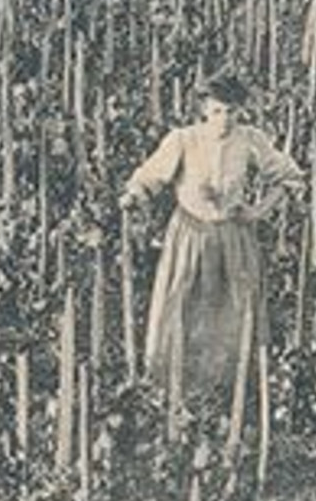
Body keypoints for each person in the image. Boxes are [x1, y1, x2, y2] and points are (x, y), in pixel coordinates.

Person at [121, 76, 304, 397]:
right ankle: (175, 385)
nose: (225, 119)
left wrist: (258, 211)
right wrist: (135, 195)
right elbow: (150, 176)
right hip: (190, 235)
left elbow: (288, 176)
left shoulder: (250, 140)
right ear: (204, 109)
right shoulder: (183, 140)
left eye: (232, 111)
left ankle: (228, 387)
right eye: (217, 111)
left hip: (233, 237)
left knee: (234, 305)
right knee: (181, 303)